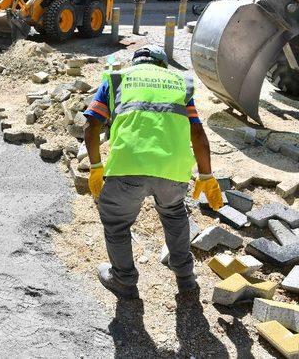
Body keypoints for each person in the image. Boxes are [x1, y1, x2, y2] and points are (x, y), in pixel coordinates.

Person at [83, 45, 224, 299]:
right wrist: (206, 176)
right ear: (162, 65)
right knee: (174, 215)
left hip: (128, 166)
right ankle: (186, 279)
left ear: (136, 62)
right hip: (173, 170)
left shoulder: (117, 79)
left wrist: (95, 167)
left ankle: (124, 280)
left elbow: (91, 124)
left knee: (116, 223)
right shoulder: (178, 83)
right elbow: (197, 133)